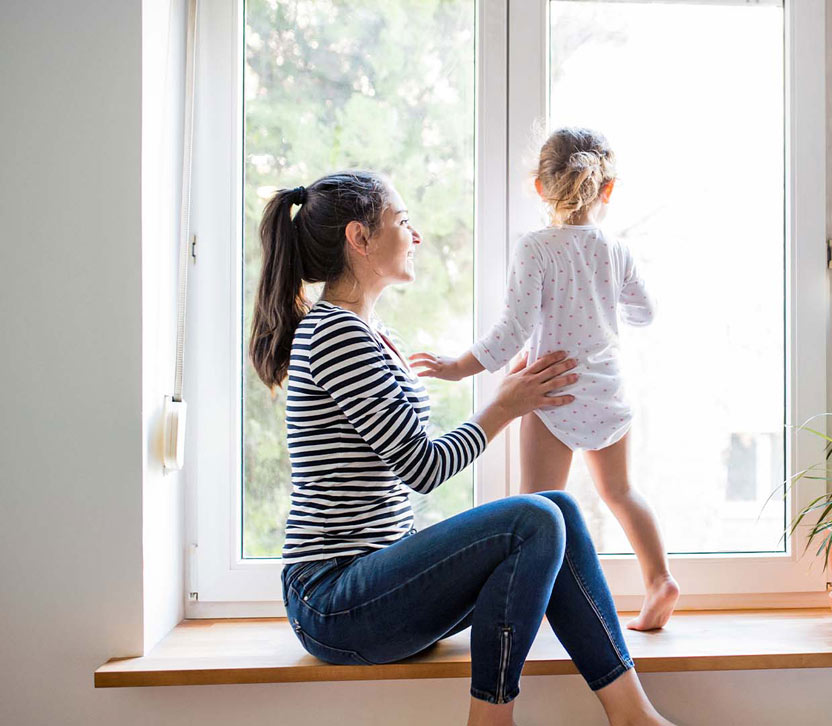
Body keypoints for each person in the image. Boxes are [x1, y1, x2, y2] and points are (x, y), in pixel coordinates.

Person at [249, 170, 674, 726]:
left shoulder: (367, 331)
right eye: (402, 221)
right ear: (359, 238)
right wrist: (504, 405)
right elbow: (421, 465)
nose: (416, 234)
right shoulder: (335, 334)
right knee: (535, 517)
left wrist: (514, 393)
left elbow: (401, 452)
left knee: (560, 510)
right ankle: (491, 721)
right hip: (334, 600)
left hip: (373, 583)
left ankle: (634, 717)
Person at [416, 128, 679, 631]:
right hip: (607, 391)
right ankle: (659, 579)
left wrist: (455, 367)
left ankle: (531, 609)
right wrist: (603, 299)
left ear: (539, 186)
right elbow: (645, 312)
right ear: (608, 190)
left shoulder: (535, 249)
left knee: (535, 510)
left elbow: (511, 332)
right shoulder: (614, 250)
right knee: (622, 492)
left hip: (550, 391)